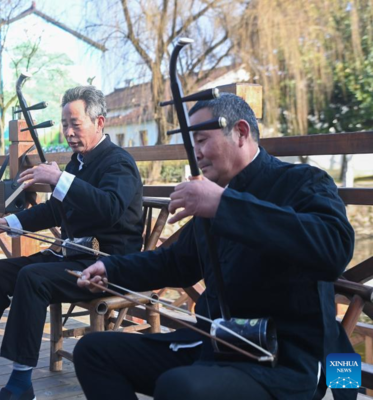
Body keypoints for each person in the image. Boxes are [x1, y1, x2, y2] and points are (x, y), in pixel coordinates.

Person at [73, 93, 356, 400]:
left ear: (241, 133)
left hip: (285, 357)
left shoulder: (302, 181)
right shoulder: (220, 197)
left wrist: (223, 204)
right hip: (219, 343)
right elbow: (176, 263)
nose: (197, 154)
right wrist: (111, 268)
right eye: (192, 145)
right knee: (93, 350)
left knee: (181, 386)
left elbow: (335, 248)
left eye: (203, 140)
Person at [0, 86, 144, 399]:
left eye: (75, 124)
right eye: (64, 124)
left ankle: (20, 383)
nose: (68, 132)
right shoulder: (79, 162)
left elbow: (109, 208)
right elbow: (57, 209)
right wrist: (9, 222)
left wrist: (60, 180)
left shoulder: (118, 163)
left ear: (100, 123)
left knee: (32, 277)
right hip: (72, 258)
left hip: (107, 265)